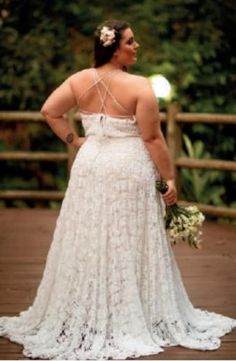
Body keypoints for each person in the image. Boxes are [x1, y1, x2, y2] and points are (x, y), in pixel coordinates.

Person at [0, 19, 235, 360]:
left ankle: (85, 307)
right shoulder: (139, 87)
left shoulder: (79, 80)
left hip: (91, 163)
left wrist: (75, 139)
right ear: (114, 47)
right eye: (131, 41)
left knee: (88, 232)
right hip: (127, 166)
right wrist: (169, 180)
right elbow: (153, 139)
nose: (136, 46)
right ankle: (134, 310)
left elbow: (49, 111)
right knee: (129, 235)